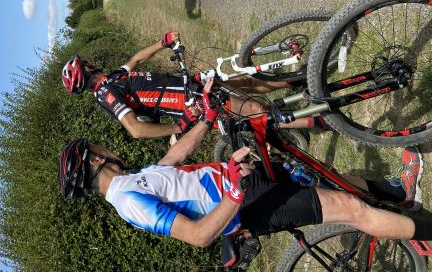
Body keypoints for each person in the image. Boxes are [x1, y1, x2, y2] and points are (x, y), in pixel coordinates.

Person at [58, 116, 430, 252]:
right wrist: (235, 192)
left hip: (243, 178)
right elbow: (197, 235)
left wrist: (206, 118)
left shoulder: (130, 180)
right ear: (95, 160)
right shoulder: (128, 202)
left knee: (324, 175)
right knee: (351, 209)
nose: (104, 146)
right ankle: (424, 231)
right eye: (97, 148)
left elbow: (172, 159)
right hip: (248, 205)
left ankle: (400, 195)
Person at [61, 30, 324, 139]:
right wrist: (177, 127)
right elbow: (136, 129)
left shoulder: (112, 78)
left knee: (244, 82)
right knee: (254, 109)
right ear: (84, 75)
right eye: (85, 65)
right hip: (190, 101)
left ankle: (295, 81)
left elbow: (136, 59)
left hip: (190, 84)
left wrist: (162, 43)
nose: (90, 63)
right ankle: (316, 121)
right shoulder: (106, 94)